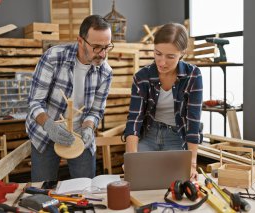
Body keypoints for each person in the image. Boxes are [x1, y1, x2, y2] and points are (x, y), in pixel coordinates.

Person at [26, 15, 114, 182]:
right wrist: (49, 125)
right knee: (42, 189)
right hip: (46, 133)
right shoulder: (53, 57)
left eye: (107, 47)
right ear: (80, 41)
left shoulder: (106, 72)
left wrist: (88, 128)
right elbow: (35, 101)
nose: (103, 54)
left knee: (85, 190)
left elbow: (95, 111)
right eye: (96, 47)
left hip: (80, 136)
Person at [123, 23, 203, 181]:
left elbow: (193, 122)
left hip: (176, 136)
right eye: (158, 53)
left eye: (170, 56)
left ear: (182, 53)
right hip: (149, 134)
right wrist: (131, 158)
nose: (162, 62)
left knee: (176, 183)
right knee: (140, 180)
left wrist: (192, 163)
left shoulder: (193, 75)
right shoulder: (142, 77)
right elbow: (134, 120)